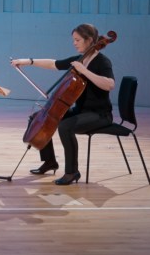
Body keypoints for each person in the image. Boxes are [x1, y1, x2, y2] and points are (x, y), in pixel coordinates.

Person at [11, 23, 115, 186]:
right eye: (74, 40)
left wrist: (84, 71)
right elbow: (54, 64)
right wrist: (28, 61)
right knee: (39, 117)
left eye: (77, 40)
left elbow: (109, 84)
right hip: (81, 111)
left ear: (89, 40)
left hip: (100, 114)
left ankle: (72, 172)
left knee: (65, 126)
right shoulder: (79, 60)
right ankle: (50, 162)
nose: (74, 43)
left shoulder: (102, 61)